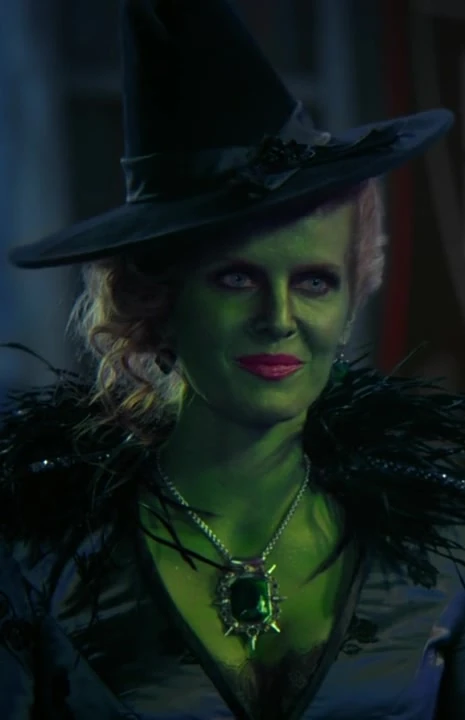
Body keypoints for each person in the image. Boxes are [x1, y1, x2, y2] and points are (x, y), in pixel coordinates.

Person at [1, 1, 465, 718]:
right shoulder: (38, 561)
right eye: (236, 278)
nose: (278, 318)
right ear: (157, 301)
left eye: (314, 282)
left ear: (352, 297)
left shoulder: (444, 547)